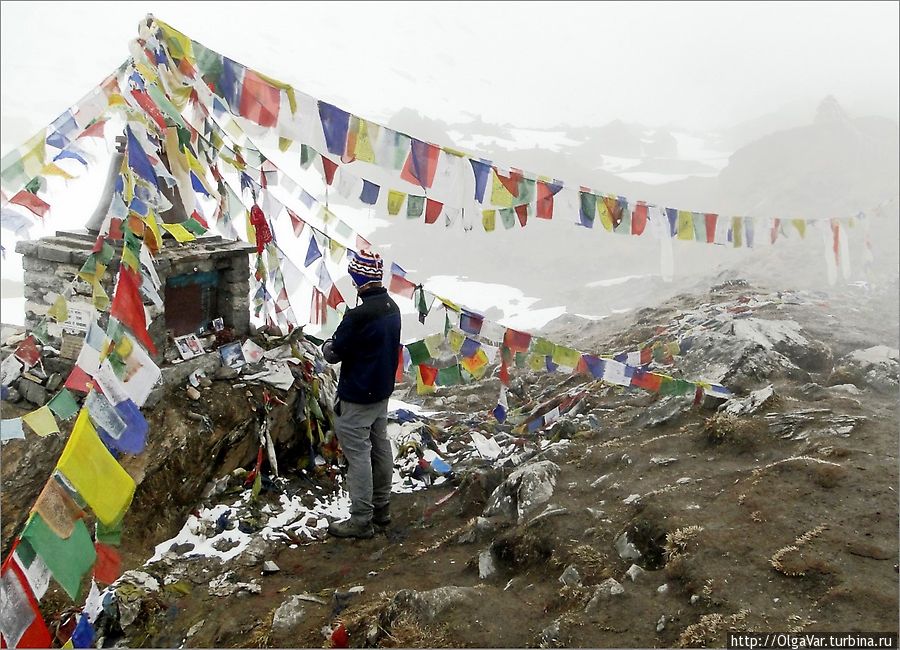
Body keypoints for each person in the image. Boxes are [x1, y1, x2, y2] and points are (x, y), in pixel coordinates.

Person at [322, 250, 401, 539]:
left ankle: (361, 519)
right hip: (381, 392)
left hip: (357, 396)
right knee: (380, 447)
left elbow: (334, 353)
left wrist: (327, 344)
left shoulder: (358, 316)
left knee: (358, 456)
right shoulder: (393, 307)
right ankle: (382, 509)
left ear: (358, 279)